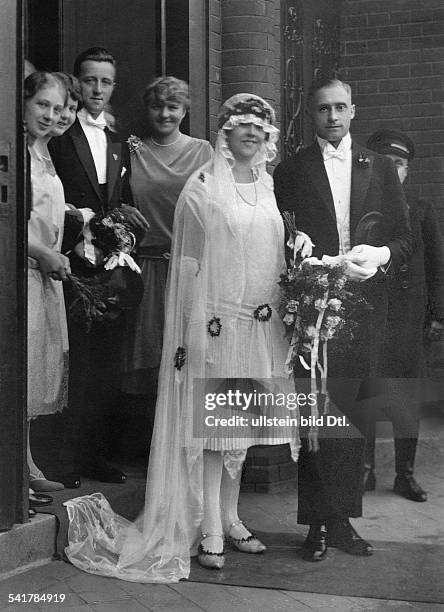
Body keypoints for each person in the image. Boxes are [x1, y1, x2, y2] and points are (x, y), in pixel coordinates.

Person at [64, 93, 302, 582]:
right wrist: (192, 325)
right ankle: (210, 525)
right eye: (242, 125)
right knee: (217, 428)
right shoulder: (202, 185)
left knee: (245, 427)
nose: (252, 133)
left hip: (260, 320)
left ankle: (233, 516)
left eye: (260, 126)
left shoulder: (267, 183)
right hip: (216, 318)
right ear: (225, 132)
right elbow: (189, 262)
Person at [274, 77, 414, 562]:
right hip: (314, 305)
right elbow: (282, 236)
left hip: (364, 307)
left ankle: (343, 522)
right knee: (315, 414)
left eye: (340, 108)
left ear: (354, 111)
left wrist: (379, 253)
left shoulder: (377, 167)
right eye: (322, 110)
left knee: (352, 414)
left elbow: (403, 242)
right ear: (310, 115)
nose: (332, 118)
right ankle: (315, 523)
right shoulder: (291, 170)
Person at [48, 47, 149, 486]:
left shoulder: (116, 138)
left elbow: (121, 198)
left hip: (107, 264)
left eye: (105, 82)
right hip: (67, 260)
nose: (97, 89)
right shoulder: (59, 135)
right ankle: (61, 458)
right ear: (77, 82)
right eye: (89, 80)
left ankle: (94, 455)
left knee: (104, 365)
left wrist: (122, 228)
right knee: (73, 363)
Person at [121, 76, 213, 448]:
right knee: (149, 360)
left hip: (189, 267)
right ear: (148, 109)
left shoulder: (204, 151)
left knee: (187, 358)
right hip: (144, 267)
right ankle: (151, 448)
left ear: (185, 110)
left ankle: (184, 445)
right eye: (157, 105)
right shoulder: (131, 149)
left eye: (173, 106)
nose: (165, 113)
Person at [364, 129, 444, 501]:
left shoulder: (421, 208)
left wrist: (435, 315)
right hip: (368, 313)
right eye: (385, 163)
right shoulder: (362, 205)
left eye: (399, 164)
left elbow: (436, 267)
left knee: (406, 396)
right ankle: (362, 471)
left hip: (409, 318)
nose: (392, 170)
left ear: (407, 170)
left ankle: (404, 474)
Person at [25, 71, 71, 495]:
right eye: (42, 104)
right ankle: (18, 470)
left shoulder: (45, 152)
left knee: (34, 369)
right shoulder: (16, 153)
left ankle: (24, 463)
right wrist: (43, 253)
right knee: (17, 369)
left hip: (44, 273)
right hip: (21, 271)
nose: (50, 115)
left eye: (57, 108)